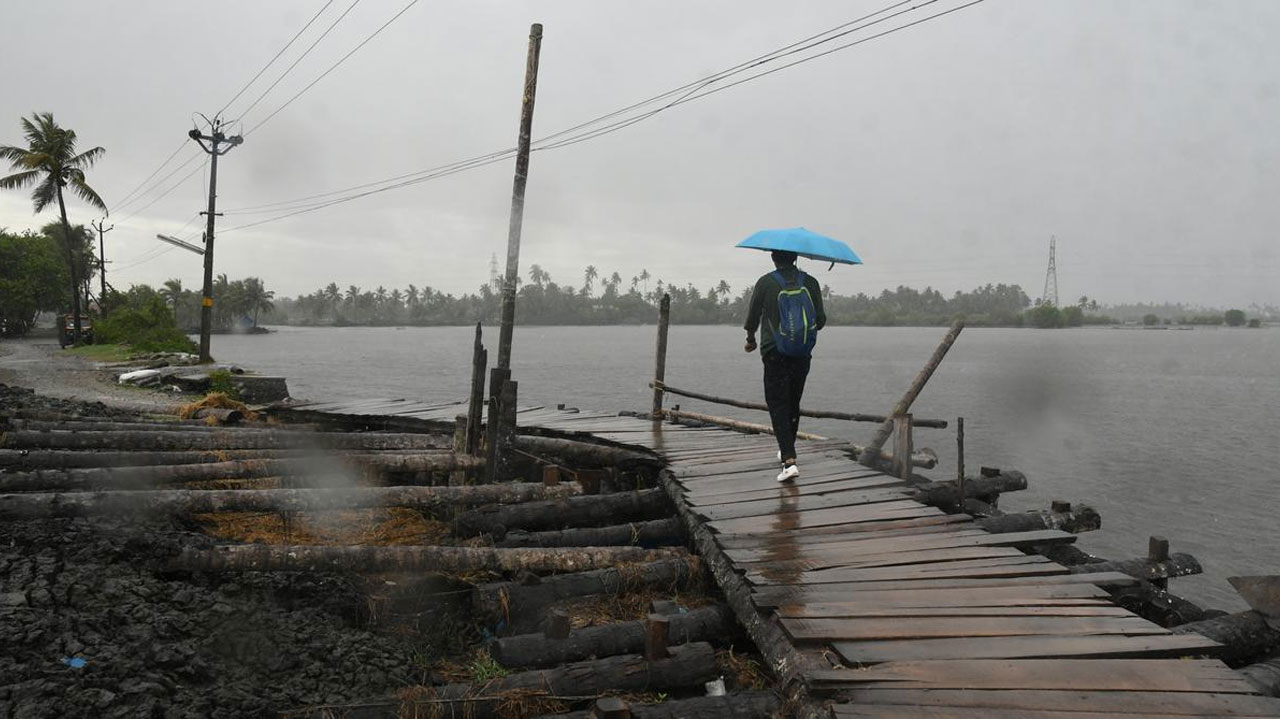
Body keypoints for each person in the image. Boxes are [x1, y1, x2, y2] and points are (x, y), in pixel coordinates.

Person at [743, 250, 826, 482]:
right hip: (801, 352)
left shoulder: (766, 283)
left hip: (774, 352)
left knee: (777, 403)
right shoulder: (810, 282)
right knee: (792, 401)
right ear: (795, 258)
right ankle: (786, 445)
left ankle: (789, 461)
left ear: (773, 259)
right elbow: (820, 321)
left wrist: (751, 339)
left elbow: (752, 318)